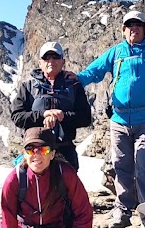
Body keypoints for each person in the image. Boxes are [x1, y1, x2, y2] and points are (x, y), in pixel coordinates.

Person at [75, 10, 145, 228]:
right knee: (121, 165)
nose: (134, 28)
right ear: (123, 30)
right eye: (129, 25)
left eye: (138, 25)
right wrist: (73, 80)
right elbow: (95, 71)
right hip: (119, 119)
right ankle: (123, 209)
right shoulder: (117, 52)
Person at [11, 41, 92, 169]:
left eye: (55, 57)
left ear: (63, 61)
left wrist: (63, 116)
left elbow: (86, 118)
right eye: (46, 57)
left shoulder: (74, 86)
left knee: (67, 182)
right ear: (40, 63)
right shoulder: (28, 87)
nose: (51, 61)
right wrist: (43, 115)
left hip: (65, 151)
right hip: (35, 152)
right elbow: (17, 116)